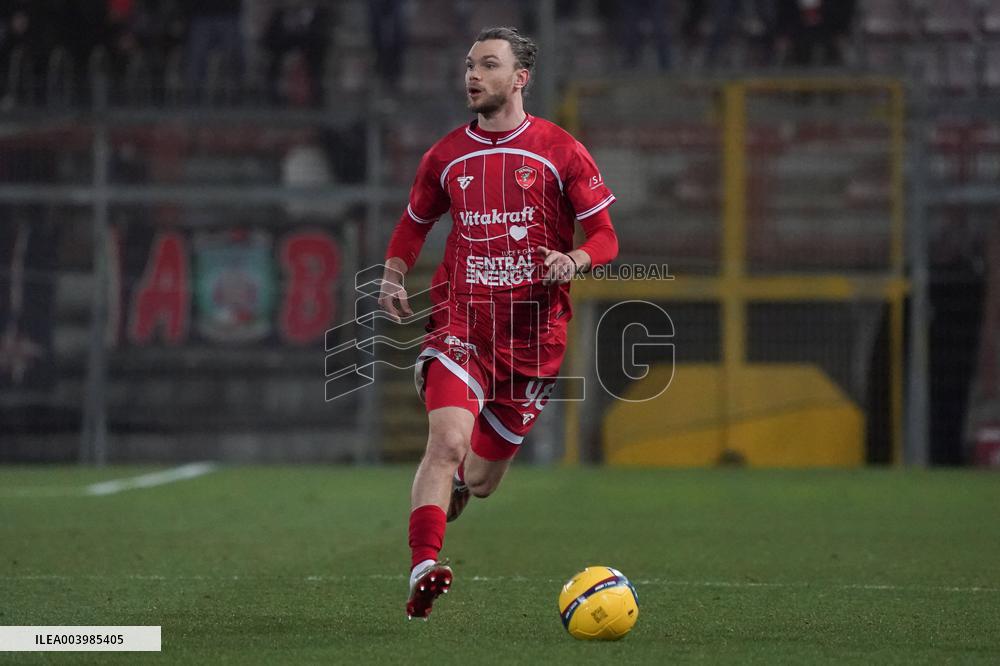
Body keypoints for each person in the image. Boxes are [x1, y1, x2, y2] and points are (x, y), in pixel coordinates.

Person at [377, 26, 619, 620]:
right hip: (463, 322)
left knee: (480, 480)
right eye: (469, 65)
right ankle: (423, 569)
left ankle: (458, 485)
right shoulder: (444, 156)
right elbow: (414, 224)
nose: (472, 75)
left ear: (520, 78)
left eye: (487, 65)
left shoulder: (560, 150)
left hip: (534, 339)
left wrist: (575, 259)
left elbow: (607, 237)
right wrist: (390, 274)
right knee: (446, 442)